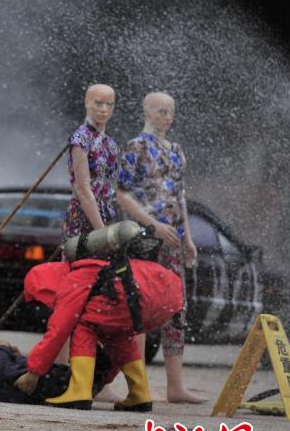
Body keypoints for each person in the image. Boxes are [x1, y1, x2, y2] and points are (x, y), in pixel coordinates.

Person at [13, 224, 184, 411]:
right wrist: (102, 380)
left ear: (43, 286)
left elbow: (59, 331)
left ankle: (79, 391)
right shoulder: (104, 265)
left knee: (82, 325)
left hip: (128, 298)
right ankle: (140, 393)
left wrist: (34, 372)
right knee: (119, 336)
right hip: (160, 297)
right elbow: (115, 354)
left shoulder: (74, 277)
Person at [117, 91, 204, 403]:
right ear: (147, 111)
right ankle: (137, 384)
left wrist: (188, 238)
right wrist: (150, 223)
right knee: (140, 307)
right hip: (145, 240)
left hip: (173, 240)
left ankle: (175, 385)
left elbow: (179, 197)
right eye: (160, 111)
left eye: (170, 111)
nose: (166, 116)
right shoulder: (136, 146)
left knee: (176, 308)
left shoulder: (177, 150)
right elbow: (122, 193)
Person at [64, 84, 120, 241]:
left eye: (109, 104)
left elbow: (111, 184)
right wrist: (102, 233)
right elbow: (83, 189)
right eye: (98, 103)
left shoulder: (110, 143)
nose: (104, 109)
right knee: (86, 263)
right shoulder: (81, 139)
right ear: (87, 102)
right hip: (84, 217)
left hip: (107, 214)